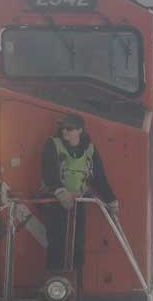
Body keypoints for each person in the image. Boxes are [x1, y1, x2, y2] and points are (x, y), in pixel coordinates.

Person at [40, 113, 118, 271]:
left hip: (79, 203)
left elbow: (99, 177)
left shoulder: (90, 150)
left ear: (80, 130)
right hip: (55, 203)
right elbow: (48, 171)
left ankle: (75, 283)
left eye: (70, 128)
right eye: (63, 128)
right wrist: (59, 191)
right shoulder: (53, 144)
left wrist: (111, 200)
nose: (65, 132)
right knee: (57, 245)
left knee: (78, 246)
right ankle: (55, 285)